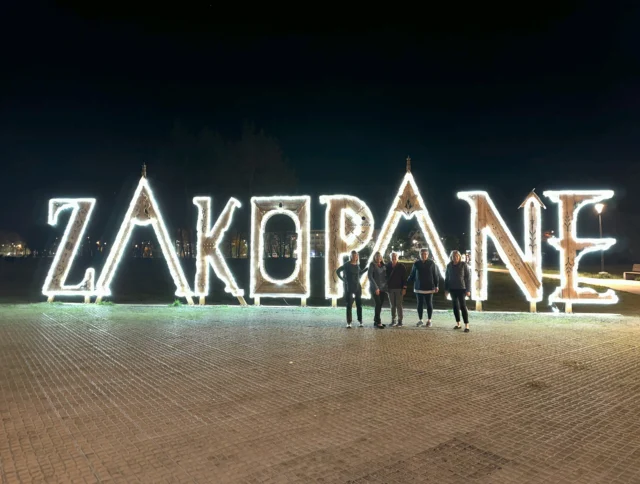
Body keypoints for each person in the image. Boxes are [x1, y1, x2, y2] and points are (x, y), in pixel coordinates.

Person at [407, 248, 440, 327]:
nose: (423, 255)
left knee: (429, 304)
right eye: (422, 254)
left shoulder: (432, 263)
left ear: (427, 254)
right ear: (419, 255)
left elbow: (435, 275)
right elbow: (412, 274)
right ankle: (420, 320)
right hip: (419, 287)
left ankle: (429, 320)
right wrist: (405, 283)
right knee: (419, 304)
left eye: (425, 254)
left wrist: (436, 285)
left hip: (429, 287)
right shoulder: (416, 263)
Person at [336, 250, 368, 328]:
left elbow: (359, 273)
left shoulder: (357, 265)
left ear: (357, 257)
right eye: (353, 255)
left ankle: (360, 321)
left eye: (356, 255)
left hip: (357, 287)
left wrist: (366, 269)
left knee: (359, 305)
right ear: (351, 256)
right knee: (349, 305)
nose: (355, 257)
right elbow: (338, 271)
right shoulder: (347, 265)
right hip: (349, 287)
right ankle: (349, 322)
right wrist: (344, 280)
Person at [445, 250, 471, 332]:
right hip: (452, 289)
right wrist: (446, 289)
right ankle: (458, 324)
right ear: (451, 257)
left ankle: (467, 325)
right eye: (453, 256)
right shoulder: (449, 265)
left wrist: (468, 289)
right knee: (455, 306)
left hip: (461, 289)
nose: (455, 257)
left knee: (463, 306)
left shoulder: (464, 265)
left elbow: (468, 278)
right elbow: (447, 278)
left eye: (457, 256)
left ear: (459, 257)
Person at [386, 251, 407, 327]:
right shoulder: (387, 266)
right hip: (390, 288)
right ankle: (393, 320)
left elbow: (404, 278)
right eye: (392, 256)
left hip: (399, 288)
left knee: (399, 305)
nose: (394, 258)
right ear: (390, 257)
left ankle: (400, 320)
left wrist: (404, 288)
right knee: (392, 305)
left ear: (397, 257)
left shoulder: (401, 266)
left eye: (395, 256)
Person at [368, 251, 388, 328]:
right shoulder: (372, 265)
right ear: (374, 257)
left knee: (379, 305)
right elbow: (370, 277)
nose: (378, 258)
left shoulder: (383, 265)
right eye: (377, 257)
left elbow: (386, 276)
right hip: (375, 288)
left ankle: (376, 321)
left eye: (379, 257)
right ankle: (378, 321)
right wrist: (376, 288)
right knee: (378, 303)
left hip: (383, 288)